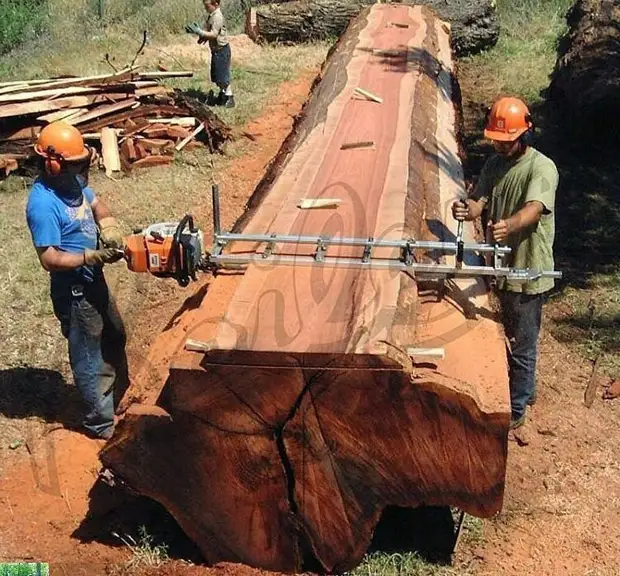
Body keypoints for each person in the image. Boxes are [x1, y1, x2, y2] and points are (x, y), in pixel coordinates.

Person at [451, 97, 559, 430]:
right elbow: (478, 202)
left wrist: (510, 225)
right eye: (496, 139)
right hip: (501, 266)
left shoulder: (542, 167)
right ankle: (524, 390)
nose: (499, 145)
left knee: (523, 341)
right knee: (508, 332)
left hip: (529, 267)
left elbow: (536, 208)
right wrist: (465, 209)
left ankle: (516, 408)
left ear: (524, 134)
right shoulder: (494, 165)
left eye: (506, 140)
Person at [26, 121, 129, 440]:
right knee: (89, 354)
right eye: (74, 165)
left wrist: (108, 225)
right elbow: (49, 259)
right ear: (53, 163)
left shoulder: (74, 184)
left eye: (82, 163)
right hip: (74, 290)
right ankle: (100, 424)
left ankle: (119, 400)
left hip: (93, 281)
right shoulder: (43, 204)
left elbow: (96, 204)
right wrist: (90, 257)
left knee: (115, 335)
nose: (81, 171)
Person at [186, 0, 235, 108]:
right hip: (216, 51)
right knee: (217, 76)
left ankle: (229, 97)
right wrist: (202, 37)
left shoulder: (217, 16)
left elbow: (213, 34)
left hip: (222, 50)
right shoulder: (211, 16)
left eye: (207, 6)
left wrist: (199, 31)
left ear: (215, 4)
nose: (205, 8)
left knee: (223, 76)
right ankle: (222, 95)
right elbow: (209, 31)